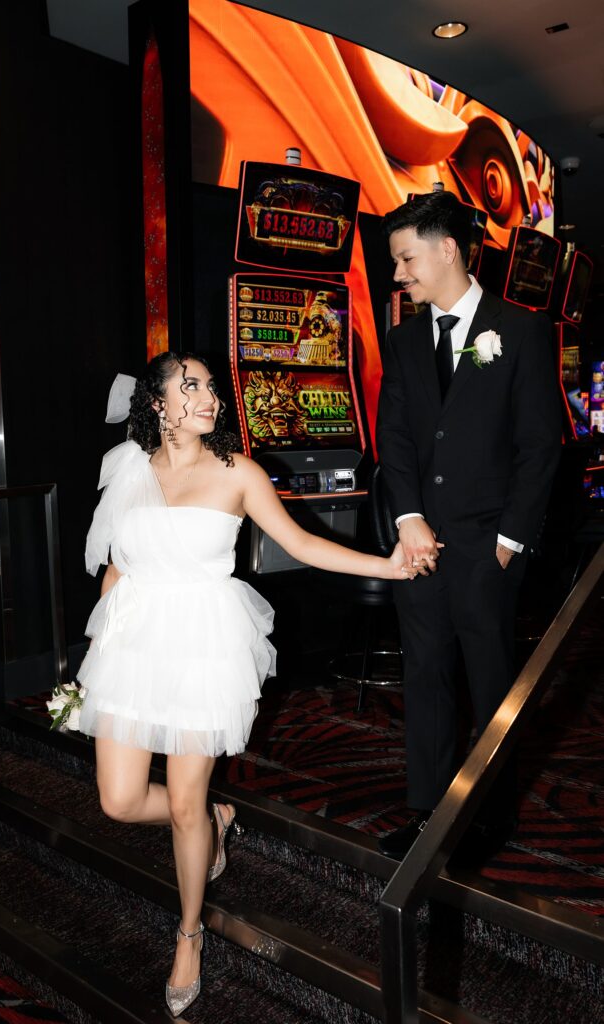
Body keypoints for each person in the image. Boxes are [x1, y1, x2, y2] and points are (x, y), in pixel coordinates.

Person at [76, 351, 418, 1017]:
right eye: (191, 387)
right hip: (132, 644)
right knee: (117, 801)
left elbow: (305, 543)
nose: (209, 397)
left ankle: (189, 933)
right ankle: (218, 818)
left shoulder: (238, 472)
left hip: (204, 643)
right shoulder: (127, 469)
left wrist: (392, 567)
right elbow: (115, 567)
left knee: (180, 803)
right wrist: (92, 655)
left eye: (209, 387)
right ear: (155, 403)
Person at [375, 191, 562, 863]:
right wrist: (407, 518)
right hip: (417, 546)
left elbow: (541, 445)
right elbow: (392, 438)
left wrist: (508, 543)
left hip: (487, 546)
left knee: (489, 682)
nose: (398, 275)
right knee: (424, 675)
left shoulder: (520, 328)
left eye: (405, 258)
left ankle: (487, 819)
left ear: (446, 247)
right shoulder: (401, 340)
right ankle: (427, 813)